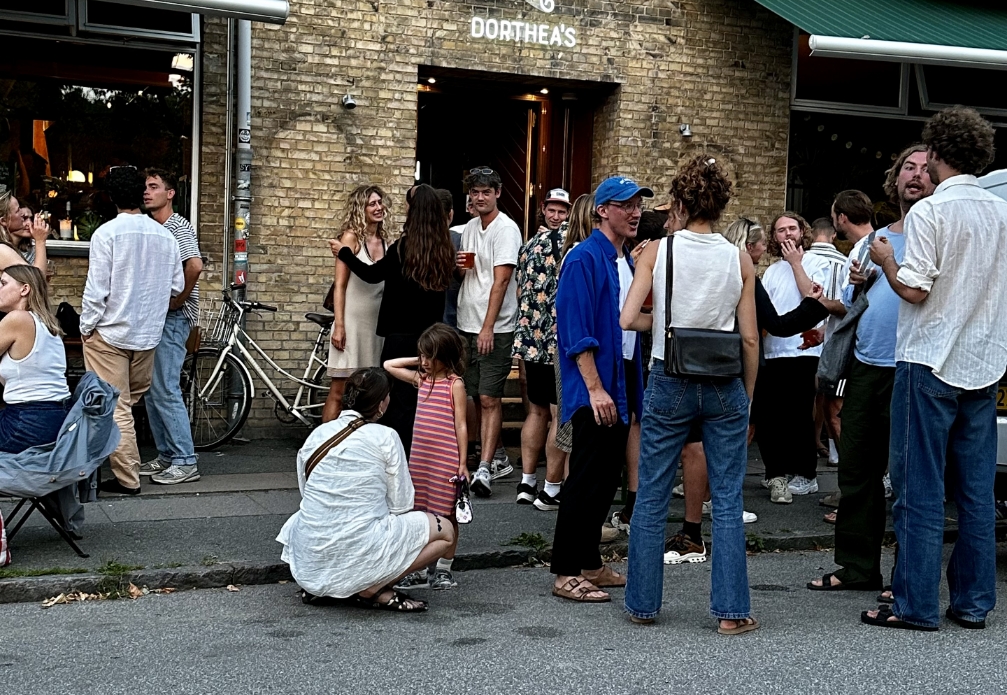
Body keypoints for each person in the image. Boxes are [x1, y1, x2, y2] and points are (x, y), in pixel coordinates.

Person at [861, 107, 1007, 631]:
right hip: (985, 361)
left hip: (929, 361)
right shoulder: (1000, 212)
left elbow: (915, 289)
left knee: (919, 488)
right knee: (976, 492)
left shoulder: (930, 213)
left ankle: (915, 603)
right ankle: (972, 603)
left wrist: (886, 262)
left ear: (939, 154)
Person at [621, 156, 759, 633]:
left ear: (678, 201)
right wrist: (748, 394)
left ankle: (642, 604)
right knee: (726, 497)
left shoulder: (659, 252)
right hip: (724, 383)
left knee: (653, 493)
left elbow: (627, 317)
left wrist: (659, 323)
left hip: (669, 377)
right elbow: (749, 340)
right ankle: (731, 613)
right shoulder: (739, 258)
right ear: (722, 204)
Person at [807, 145, 934, 592]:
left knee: (907, 476)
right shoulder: (873, 239)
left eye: (924, 168)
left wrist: (886, 267)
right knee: (857, 470)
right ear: (895, 179)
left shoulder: (936, 231)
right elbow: (854, 302)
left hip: (913, 367)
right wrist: (864, 283)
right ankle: (858, 568)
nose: (915, 175)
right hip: (866, 365)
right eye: (908, 168)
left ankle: (906, 577)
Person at [277, 368, 453, 612]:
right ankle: (373, 587)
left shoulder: (318, 434)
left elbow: (307, 492)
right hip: (361, 540)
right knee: (446, 532)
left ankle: (328, 584)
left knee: (314, 519)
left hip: (310, 560)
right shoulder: (386, 436)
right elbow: (402, 505)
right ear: (381, 404)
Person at [550, 176, 649, 602]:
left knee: (606, 476)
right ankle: (565, 570)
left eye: (638, 205)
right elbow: (576, 330)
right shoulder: (583, 258)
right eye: (625, 204)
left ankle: (589, 562)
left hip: (621, 378)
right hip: (597, 383)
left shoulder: (622, 259)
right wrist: (595, 388)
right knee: (586, 477)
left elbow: (627, 322)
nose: (635, 211)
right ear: (602, 210)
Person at [329, 184, 456, 454]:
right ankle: (416, 457)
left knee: (395, 400)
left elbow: (372, 274)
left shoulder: (403, 247)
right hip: (429, 338)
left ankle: (393, 455)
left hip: (399, 336)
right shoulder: (444, 249)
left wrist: (343, 253)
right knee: (420, 397)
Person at [80, 165, 183, 495]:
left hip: (110, 334)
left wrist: (85, 327)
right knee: (128, 402)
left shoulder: (106, 234)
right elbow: (176, 285)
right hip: (148, 336)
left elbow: (97, 291)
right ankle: (121, 461)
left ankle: (127, 478)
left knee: (117, 407)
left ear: (110, 197)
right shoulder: (165, 236)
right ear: (140, 194)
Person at [384, 323, 468, 591]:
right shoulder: (422, 380)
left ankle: (443, 568)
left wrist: (463, 462)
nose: (426, 362)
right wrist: (418, 358)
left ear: (446, 356)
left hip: (446, 459)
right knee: (420, 511)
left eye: (432, 356)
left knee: (447, 513)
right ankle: (420, 567)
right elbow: (389, 365)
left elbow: (461, 425)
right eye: (423, 356)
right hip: (420, 458)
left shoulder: (455, 384)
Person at [455, 167, 521, 497]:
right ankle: (494, 457)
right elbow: (468, 269)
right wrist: (459, 265)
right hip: (466, 321)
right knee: (474, 393)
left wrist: (487, 327)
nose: (480, 197)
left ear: (497, 193)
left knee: (489, 397)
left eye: (486, 192)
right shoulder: (469, 227)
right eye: (475, 192)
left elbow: (502, 280)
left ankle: (484, 468)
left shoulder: (506, 229)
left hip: (492, 326)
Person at [754, 212, 828, 503]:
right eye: (780, 230)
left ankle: (806, 475)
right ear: (773, 237)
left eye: (792, 229)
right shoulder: (771, 271)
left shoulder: (814, 262)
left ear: (802, 232)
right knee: (771, 418)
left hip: (801, 350)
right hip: (772, 351)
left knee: (799, 415)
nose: (787, 234)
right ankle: (778, 473)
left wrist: (797, 263)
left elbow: (813, 297)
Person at [139, 169, 204, 485]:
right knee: (153, 390)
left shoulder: (178, 227)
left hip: (173, 318)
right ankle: (167, 455)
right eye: (145, 187)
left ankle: (185, 460)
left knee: (165, 387)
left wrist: (178, 301)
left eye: (154, 187)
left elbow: (195, 265)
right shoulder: (154, 227)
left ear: (170, 193)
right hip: (156, 317)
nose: (147, 192)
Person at [514, 188, 570, 508]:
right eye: (554, 209)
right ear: (545, 209)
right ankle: (550, 487)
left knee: (535, 411)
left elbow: (521, 289)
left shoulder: (527, 246)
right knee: (556, 414)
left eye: (563, 210)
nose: (558, 215)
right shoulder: (566, 242)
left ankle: (526, 482)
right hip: (554, 341)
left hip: (530, 341)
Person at [323, 185, 387, 423]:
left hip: (376, 326)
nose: (378, 207)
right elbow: (340, 285)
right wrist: (339, 326)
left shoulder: (386, 240)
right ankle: (324, 446)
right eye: (372, 204)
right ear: (361, 208)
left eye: (380, 202)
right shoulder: (350, 238)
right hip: (352, 323)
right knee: (340, 390)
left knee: (371, 391)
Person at [0, 265, 70, 452]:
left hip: (27, 423)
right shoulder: (46, 322)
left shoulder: (18, 319)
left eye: (3, 283)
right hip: (54, 418)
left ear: (24, 289)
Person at [807, 216, 850, 466]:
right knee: (830, 397)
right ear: (833, 235)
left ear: (813, 234)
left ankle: (810, 441)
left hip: (801, 334)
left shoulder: (799, 262)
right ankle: (834, 450)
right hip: (833, 335)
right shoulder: (844, 263)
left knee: (808, 395)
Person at [0, 191, 49, 274]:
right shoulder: (2, 250)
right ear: (4, 221)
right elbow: (37, 281)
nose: (22, 213)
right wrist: (40, 241)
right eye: (18, 210)